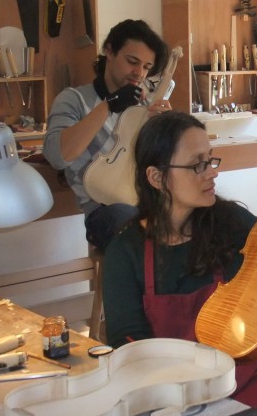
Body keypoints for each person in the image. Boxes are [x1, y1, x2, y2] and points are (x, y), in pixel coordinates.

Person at [103, 111, 257, 416]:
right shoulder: (125, 251)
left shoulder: (231, 224)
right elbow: (129, 344)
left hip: (247, 390)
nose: (212, 172)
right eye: (198, 164)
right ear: (156, 177)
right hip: (169, 401)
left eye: (210, 160)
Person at [43, 19, 173, 251]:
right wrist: (108, 106)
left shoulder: (145, 105)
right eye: (132, 61)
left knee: (214, 216)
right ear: (109, 51)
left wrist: (164, 129)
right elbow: (57, 156)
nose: (139, 73)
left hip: (149, 202)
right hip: (104, 210)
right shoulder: (73, 99)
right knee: (133, 226)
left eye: (146, 67)